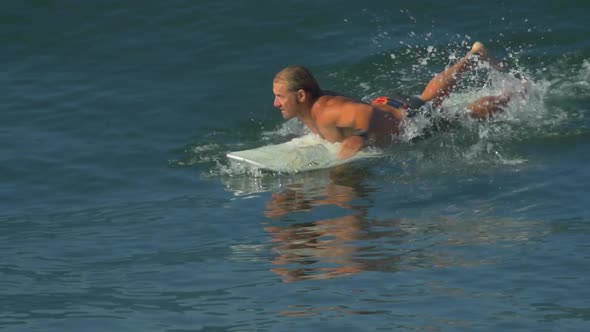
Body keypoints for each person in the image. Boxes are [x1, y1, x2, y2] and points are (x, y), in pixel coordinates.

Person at [272, 41, 519, 159]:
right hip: (392, 106)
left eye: (280, 97)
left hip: (408, 123)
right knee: (425, 98)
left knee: (461, 117)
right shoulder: (309, 109)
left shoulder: (325, 111)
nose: (276, 103)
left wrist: (360, 136)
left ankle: (514, 95)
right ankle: (472, 58)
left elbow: (362, 113)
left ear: (302, 96)